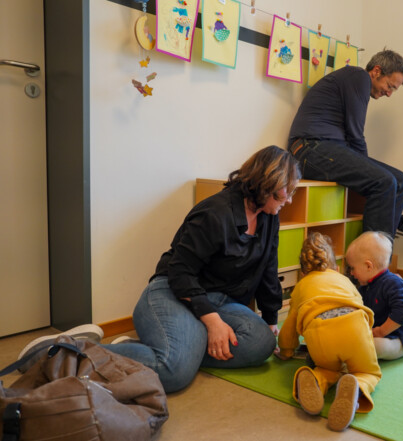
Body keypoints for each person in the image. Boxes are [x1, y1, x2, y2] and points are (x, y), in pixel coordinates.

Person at [19, 146, 301, 392]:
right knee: (174, 371)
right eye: (286, 192)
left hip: (218, 300)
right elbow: (180, 273)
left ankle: (151, 349)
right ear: (266, 184)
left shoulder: (268, 216)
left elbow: (268, 267)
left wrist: (271, 319)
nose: (289, 200)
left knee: (261, 343)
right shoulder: (215, 213)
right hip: (174, 292)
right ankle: (61, 351)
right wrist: (213, 322)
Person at [287, 49, 403, 237]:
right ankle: (373, 254)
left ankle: (384, 246)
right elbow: (356, 135)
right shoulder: (359, 77)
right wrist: (372, 171)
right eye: (390, 86)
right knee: (384, 181)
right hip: (308, 148)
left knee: (402, 182)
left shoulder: (355, 82)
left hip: (328, 149)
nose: (389, 93)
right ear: (376, 71)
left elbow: (352, 141)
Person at [276, 232, 381, 432]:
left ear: (303, 272)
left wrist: (286, 351)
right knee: (368, 372)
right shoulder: (344, 280)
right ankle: (357, 385)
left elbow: (289, 328)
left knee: (328, 369)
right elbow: (361, 306)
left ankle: (317, 380)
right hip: (354, 327)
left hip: (320, 333)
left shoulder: (301, 287)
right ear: (337, 267)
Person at [345, 232, 403, 360]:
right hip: (376, 333)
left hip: (398, 339)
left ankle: (351, 362)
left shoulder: (394, 283)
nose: (351, 273)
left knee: (375, 346)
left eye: (352, 268)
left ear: (368, 266)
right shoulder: (365, 286)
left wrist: (381, 331)